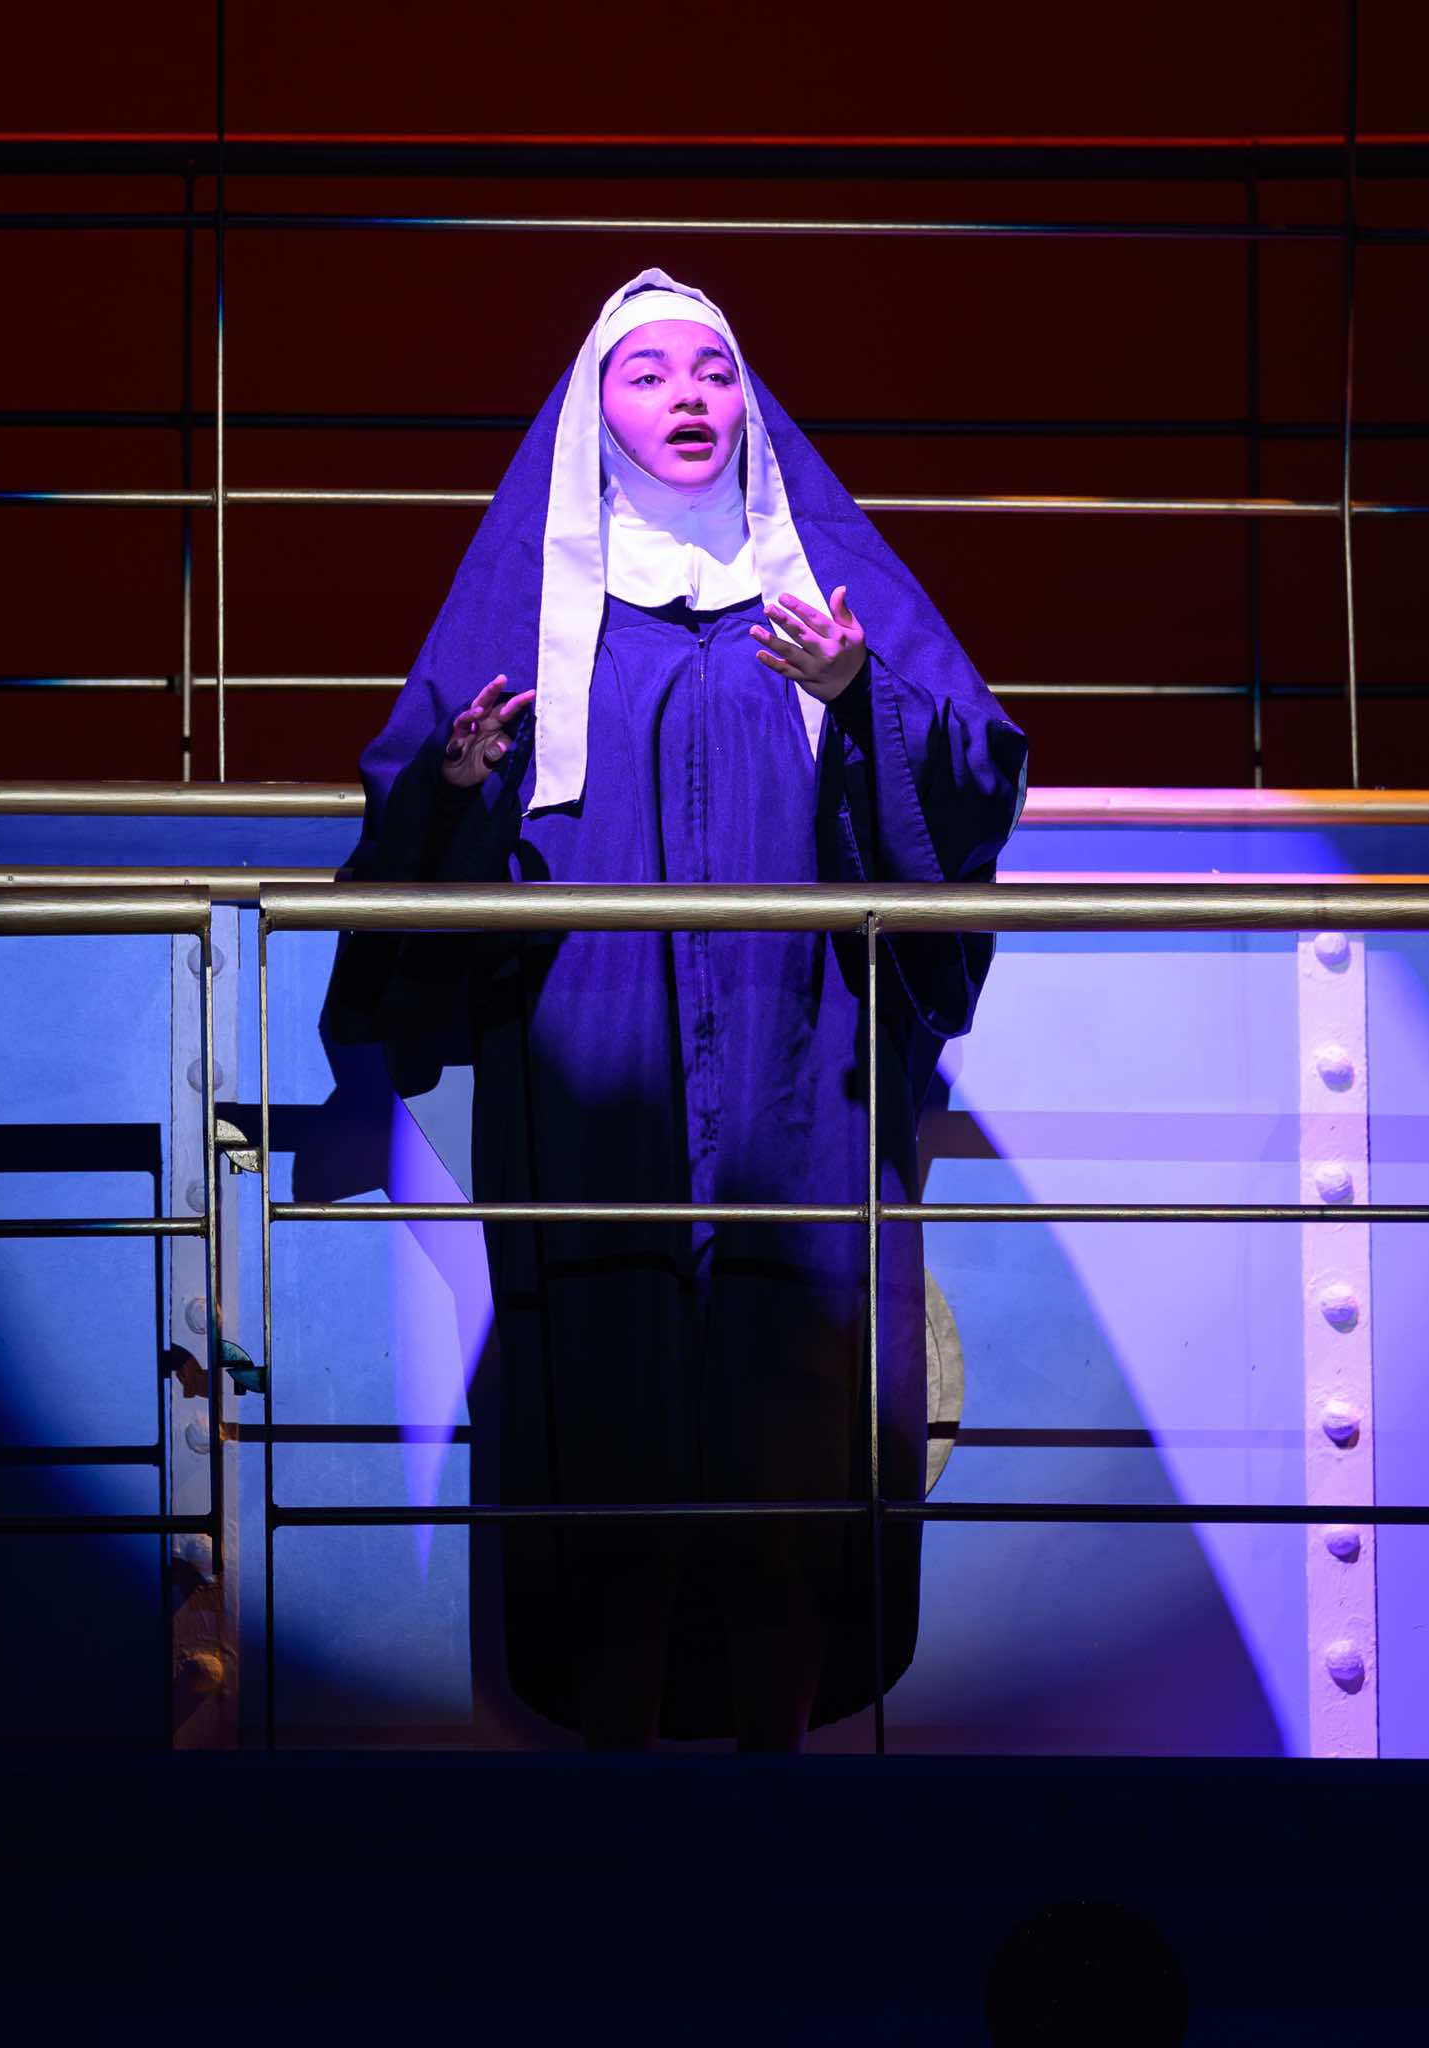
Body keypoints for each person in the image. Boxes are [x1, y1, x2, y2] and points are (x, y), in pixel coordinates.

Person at [323, 268, 1028, 1751]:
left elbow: (967, 763)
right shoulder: (540, 606)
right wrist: (460, 781)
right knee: (610, 1381)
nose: (688, 398)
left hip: (796, 1046)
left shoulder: (811, 596)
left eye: (711, 371)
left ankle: (774, 1763)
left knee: (794, 1386)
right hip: (594, 1048)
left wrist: (858, 696)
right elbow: (415, 802)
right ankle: (619, 1775)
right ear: (596, 416)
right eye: (647, 375)